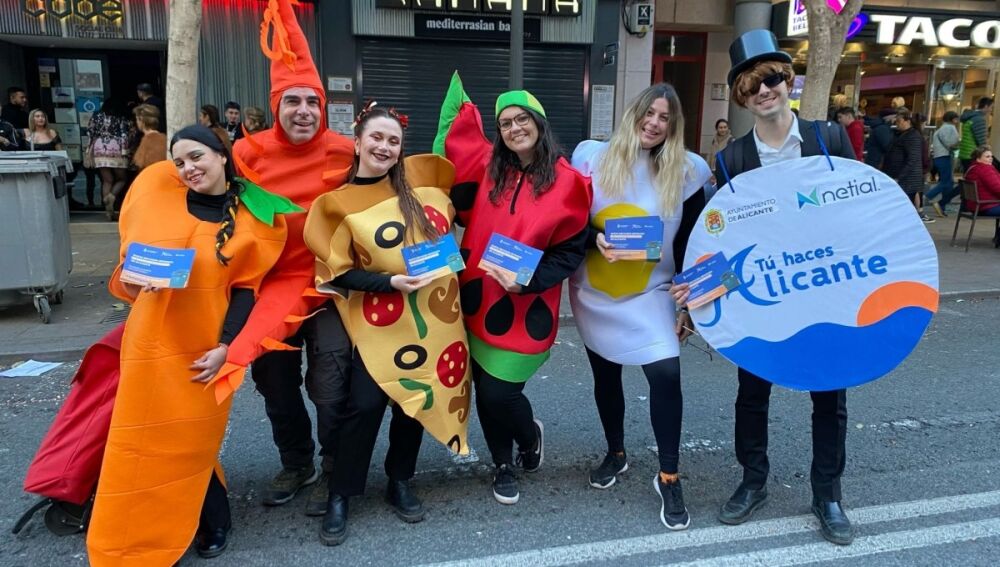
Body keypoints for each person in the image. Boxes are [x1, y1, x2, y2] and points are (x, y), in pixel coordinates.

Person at [86, 125, 294, 565]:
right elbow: (128, 277)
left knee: (193, 440)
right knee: (142, 440)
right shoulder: (157, 201)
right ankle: (142, 538)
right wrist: (129, 278)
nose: (188, 169)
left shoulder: (254, 216)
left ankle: (212, 518)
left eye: (197, 157)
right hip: (149, 343)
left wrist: (226, 348)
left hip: (204, 348)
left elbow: (246, 290)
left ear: (222, 155)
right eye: (179, 162)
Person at [680, 29, 856, 547]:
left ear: (789, 80)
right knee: (752, 395)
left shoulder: (832, 140)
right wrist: (695, 293)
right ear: (742, 96)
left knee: (830, 396)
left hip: (826, 291)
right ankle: (752, 481)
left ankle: (828, 493)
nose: (765, 91)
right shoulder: (732, 159)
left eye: (773, 78)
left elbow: (863, 213)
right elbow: (721, 237)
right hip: (763, 295)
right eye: (754, 85)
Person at [305, 103, 470, 545]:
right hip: (376, 326)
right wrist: (387, 281)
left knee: (413, 404)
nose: (384, 147)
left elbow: (447, 243)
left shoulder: (418, 192)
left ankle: (400, 479)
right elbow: (335, 271)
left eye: (393, 141)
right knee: (362, 407)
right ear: (357, 142)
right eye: (376, 138)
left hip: (427, 324)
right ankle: (342, 492)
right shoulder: (337, 203)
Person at [435, 72, 592, 505]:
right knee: (483, 387)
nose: (514, 128)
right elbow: (452, 166)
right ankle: (503, 464)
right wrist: (457, 114)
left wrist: (528, 280)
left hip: (523, 306)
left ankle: (528, 434)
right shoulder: (489, 172)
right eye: (505, 123)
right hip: (475, 296)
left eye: (522, 119)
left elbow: (569, 253)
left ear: (539, 124)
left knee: (499, 391)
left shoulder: (569, 183)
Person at [228, 0, 355, 517]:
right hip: (269, 288)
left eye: (312, 101)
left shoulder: (346, 151)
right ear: (275, 105)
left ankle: (332, 469)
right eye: (292, 101)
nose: (303, 111)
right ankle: (296, 461)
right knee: (275, 384)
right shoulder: (247, 153)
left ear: (323, 107)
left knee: (330, 384)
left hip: (326, 286)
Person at [569, 83, 711, 530]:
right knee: (605, 375)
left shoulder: (687, 171)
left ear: (674, 125)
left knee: (666, 372)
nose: (653, 124)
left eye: (664, 118)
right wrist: (595, 238)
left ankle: (669, 474)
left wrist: (689, 304)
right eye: (648, 113)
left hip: (653, 292)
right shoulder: (591, 157)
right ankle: (616, 453)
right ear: (633, 114)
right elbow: (569, 219)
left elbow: (692, 239)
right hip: (596, 290)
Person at [87, 99, 133, 220]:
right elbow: (125, 133)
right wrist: (126, 151)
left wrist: (89, 151)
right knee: (122, 178)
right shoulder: (121, 116)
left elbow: (90, 132)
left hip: (99, 147)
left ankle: (108, 212)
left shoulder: (97, 115)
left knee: (107, 180)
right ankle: (111, 196)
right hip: (116, 147)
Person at [882, 108, 930, 222]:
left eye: (899, 121)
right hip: (901, 178)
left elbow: (912, 159)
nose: (896, 123)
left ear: (906, 121)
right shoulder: (901, 134)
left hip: (907, 180)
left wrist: (899, 177)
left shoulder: (912, 136)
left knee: (904, 211)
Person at [926, 111, 961, 217]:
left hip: (938, 156)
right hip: (945, 156)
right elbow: (951, 143)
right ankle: (927, 197)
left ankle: (942, 207)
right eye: (956, 118)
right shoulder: (950, 128)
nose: (957, 121)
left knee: (947, 183)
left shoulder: (941, 128)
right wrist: (959, 144)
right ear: (953, 119)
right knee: (946, 182)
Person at [961, 145, 1000, 219]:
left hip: (976, 206)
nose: (991, 159)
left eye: (991, 156)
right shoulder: (985, 169)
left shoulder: (973, 168)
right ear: (978, 159)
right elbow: (997, 188)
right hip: (986, 206)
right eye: (987, 157)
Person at [958, 97, 993, 171]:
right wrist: (987, 150)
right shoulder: (978, 119)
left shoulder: (969, 117)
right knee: (974, 177)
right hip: (972, 153)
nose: (991, 110)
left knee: (968, 175)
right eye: (991, 107)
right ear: (986, 106)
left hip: (964, 152)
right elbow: (981, 139)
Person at [131, 104, 167, 171]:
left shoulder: (147, 139)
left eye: (137, 119)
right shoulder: (164, 137)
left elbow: (140, 164)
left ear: (142, 121)